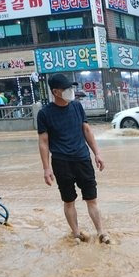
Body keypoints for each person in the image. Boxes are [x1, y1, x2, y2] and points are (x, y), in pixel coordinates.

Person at [37, 73, 110, 244]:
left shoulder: (77, 107)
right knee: (69, 200)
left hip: (82, 159)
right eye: (66, 88)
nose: (71, 91)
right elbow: (43, 142)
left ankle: (101, 232)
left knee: (91, 198)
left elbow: (86, 130)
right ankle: (77, 234)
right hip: (61, 162)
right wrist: (46, 168)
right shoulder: (44, 114)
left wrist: (97, 153)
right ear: (55, 91)